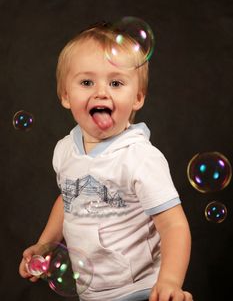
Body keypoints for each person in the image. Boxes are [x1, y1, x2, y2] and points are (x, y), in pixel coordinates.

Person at [19, 23, 192, 301]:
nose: (101, 92)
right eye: (87, 82)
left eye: (115, 83)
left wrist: (169, 281)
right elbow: (69, 198)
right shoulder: (65, 150)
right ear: (65, 95)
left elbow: (174, 225)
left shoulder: (139, 157)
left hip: (141, 288)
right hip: (91, 291)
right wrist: (45, 244)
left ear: (137, 98)